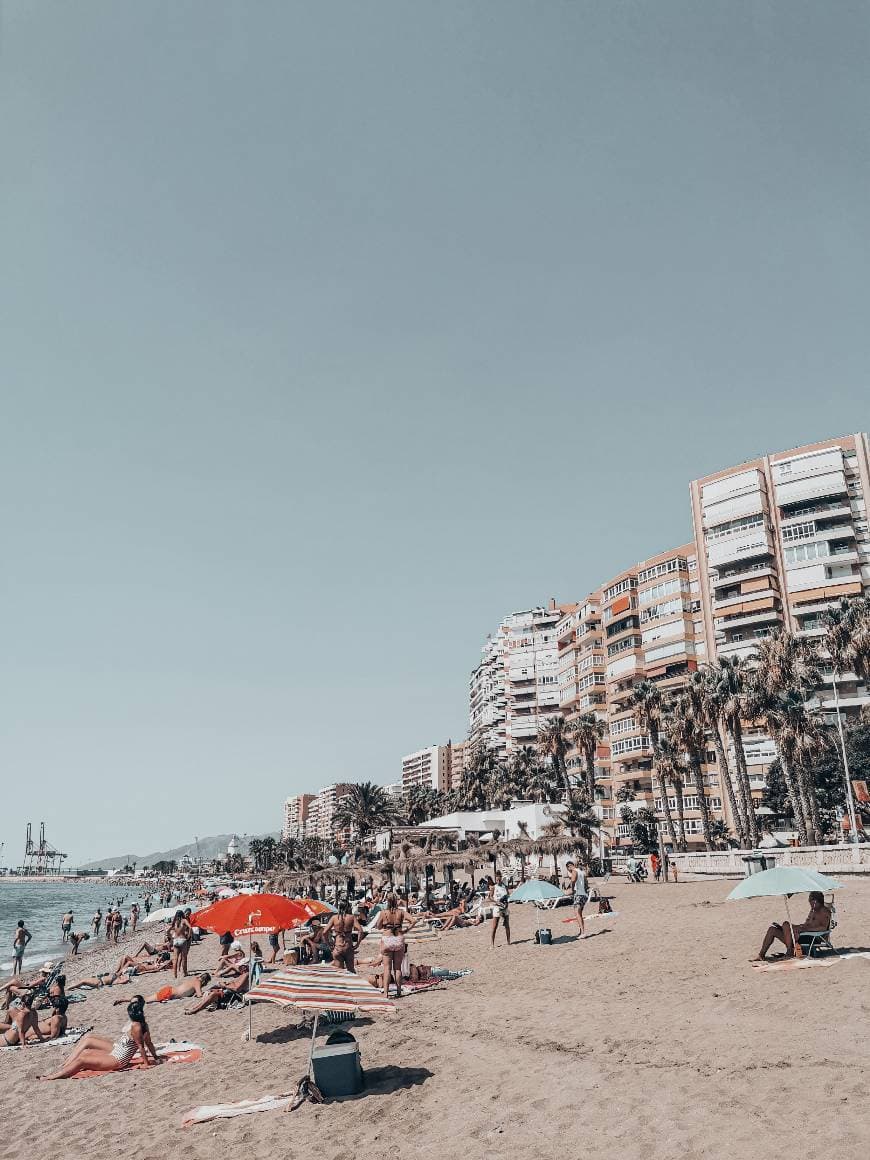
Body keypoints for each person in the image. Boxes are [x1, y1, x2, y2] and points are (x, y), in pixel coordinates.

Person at [39, 996, 160, 1080]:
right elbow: (149, 1043)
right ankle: (64, 1068)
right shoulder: (142, 1024)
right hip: (115, 1054)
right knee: (86, 1052)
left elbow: (142, 1047)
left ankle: (52, 1076)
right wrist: (155, 1057)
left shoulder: (136, 1027)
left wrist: (146, 1064)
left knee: (82, 1061)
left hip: (117, 1060)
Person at [753, 892, 832, 962]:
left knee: (786, 925)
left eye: (810, 901)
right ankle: (761, 955)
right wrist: (799, 927)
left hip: (812, 938)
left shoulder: (824, 911)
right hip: (803, 934)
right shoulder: (814, 910)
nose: (809, 903)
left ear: (815, 901)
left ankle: (789, 952)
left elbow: (823, 928)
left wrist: (804, 929)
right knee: (773, 929)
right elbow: (807, 924)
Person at [374, 893, 419, 998]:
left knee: (387, 968)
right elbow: (414, 920)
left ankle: (386, 993)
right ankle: (399, 991)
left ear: (387, 902)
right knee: (397, 968)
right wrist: (406, 930)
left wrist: (386, 925)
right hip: (399, 938)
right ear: (396, 901)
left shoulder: (383, 913)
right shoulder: (401, 912)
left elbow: (378, 926)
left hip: (387, 939)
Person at [321, 902, 366, 972]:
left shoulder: (334, 918)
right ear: (348, 907)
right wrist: (357, 944)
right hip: (348, 947)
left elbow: (324, 932)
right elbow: (361, 930)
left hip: (338, 947)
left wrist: (329, 943)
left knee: (339, 972)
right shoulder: (352, 917)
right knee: (351, 971)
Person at [116, 973, 211, 1005]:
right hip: (168, 993)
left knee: (145, 999)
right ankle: (125, 999)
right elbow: (199, 995)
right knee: (145, 1000)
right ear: (204, 981)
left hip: (169, 990)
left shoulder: (194, 979)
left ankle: (126, 999)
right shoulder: (197, 982)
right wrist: (208, 992)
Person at [185, 966, 250, 1013]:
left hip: (234, 995)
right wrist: (225, 984)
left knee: (213, 994)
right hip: (229, 992)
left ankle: (196, 1010)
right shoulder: (242, 975)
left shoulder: (245, 975)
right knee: (210, 991)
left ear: (244, 968)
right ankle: (195, 1007)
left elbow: (236, 988)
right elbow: (234, 985)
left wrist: (224, 985)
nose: (238, 968)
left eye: (241, 967)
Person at [565, 861, 589, 939]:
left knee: (577, 913)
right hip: (584, 895)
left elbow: (573, 880)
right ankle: (581, 931)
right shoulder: (581, 872)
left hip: (579, 895)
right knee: (580, 914)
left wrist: (572, 890)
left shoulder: (574, 871)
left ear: (569, 867)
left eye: (568, 869)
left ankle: (583, 932)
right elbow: (586, 883)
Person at [487, 872, 511, 948]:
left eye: (499, 879)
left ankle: (508, 941)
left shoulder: (505, 886)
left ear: (501, 878)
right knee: (495, 926)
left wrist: (506, 903)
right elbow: (490, 897)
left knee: (507, 925)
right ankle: (492, 943)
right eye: (497, 879)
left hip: (504, 907)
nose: (498, 880)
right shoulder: (494, 887)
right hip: (497, 907)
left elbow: (508, 896)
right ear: (496, 879)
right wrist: (496, 901)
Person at [168, 910, 191, 978]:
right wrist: (189, 936)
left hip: (176, 940)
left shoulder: (175, 922)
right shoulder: (184, 920)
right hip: (182, 939)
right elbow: (190, 927)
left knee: (175, 959)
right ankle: (185, 973)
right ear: (182, 914)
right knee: (184, 958)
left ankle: (175, 974)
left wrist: (172, 937)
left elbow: (168, 931)